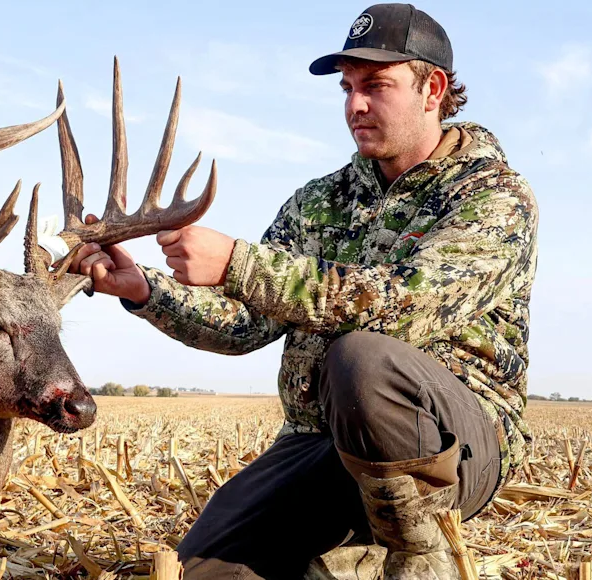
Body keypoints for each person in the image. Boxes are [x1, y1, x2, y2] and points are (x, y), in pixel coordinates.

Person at [69, 3, 538, 579]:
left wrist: (238, 262)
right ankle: (344, 555)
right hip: (321, 445)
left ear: (432, 88)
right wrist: (144, 291)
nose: (354, 105)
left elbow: (401, 310)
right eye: (346, 88)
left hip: (454, 451)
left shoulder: (494, 198)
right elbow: (243, 324)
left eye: (376, 85)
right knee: (203, 574)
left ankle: (416, 556)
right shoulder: (319, 202)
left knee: (364, 357)